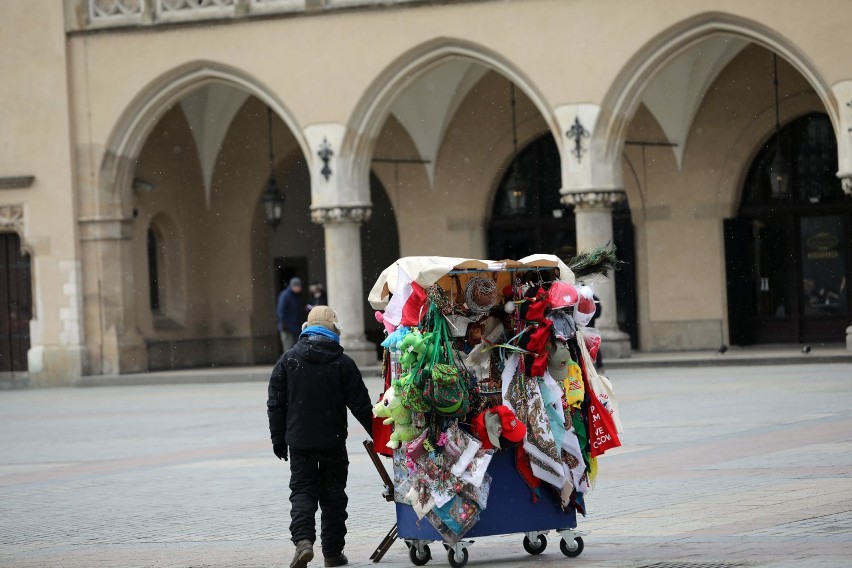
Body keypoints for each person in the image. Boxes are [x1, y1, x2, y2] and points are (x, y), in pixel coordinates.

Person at [267, 306, 374, 568]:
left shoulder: (288, 360)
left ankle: (303, 542)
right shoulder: (343, 363)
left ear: (306, 329)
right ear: (334, 330)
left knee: (302, 492)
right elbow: (361, 405)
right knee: (333, 496)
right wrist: (380, 436)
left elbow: (276, 404)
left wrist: (278, 440)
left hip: (300, 442)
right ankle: (333, 553)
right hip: (333, 441)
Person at [276, 277, 303, 352]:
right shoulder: (285, 295)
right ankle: (289, 363)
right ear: (294, 286)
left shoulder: (296, 296)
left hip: (295, 326)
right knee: (288, 348)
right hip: (287, 327)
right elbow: (281, 310)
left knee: (296, 348)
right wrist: (283, 323)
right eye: (299, 286)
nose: (300, 289)